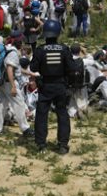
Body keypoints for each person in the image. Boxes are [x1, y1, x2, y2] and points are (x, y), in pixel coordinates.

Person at [30, 19, 75, 153]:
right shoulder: (64, 49)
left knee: (42, 115)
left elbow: (33, 67)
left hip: (45, 86)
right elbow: (71, 67)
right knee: (62, 114)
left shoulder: (40, 50)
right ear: (57, 33)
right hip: (61, 86)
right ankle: (62, 144)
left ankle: (41, 144)